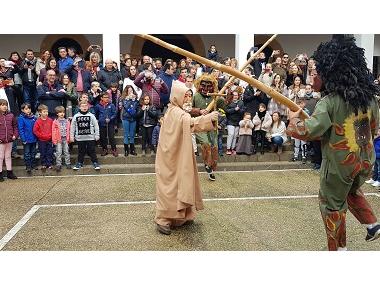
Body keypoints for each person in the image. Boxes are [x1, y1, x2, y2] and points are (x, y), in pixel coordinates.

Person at [287, 36, 380, 250]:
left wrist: (293, 119)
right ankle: (372, 224)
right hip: (365, 161)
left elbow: (308, 131)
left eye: (314, 72)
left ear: (329, 73)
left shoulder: (328, 103)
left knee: (332, 206)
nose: (311, 77)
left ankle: (338, 249)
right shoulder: (370, 99)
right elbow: (373, 127)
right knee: (351, 191)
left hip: (339, 166)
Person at [154, 80, 218, 235]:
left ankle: (180, 217)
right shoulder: (177, 113)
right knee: (170, 187)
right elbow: (192, 124)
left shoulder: (173, 109)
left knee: (180, 183)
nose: (188, 100)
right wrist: (210, 118)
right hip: (170, 158)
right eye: (185, 97)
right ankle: (163, 219)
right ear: (177, 96)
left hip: (174, 155)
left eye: (189, 96)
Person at [192, 73, 224, 181]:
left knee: (214, 146)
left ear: (213, 86)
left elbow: (225, 106)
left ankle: (212, 167)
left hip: (212, 126)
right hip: (200, 126)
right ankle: (207, 165)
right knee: (206, 144)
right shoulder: (195, 96)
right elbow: (188, 109)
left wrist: (228, 96)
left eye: (208, 86)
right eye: (203, 85)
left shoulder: (216, 97)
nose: (206, 88)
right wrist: (199, 111)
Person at [71, 101, 101, 170]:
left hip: (90, 137)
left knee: (92, 150)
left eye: (86, 106)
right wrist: (72, 137)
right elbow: (72, 127)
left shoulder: (91, 116)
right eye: (83, 106)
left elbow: (96, 126)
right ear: (79, 107)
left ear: (88, 107)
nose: (84, 107)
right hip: (80, 138)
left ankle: (95, 162)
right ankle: (79, 163)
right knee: (81, 151)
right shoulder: (76, 116)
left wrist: (97, 135)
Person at [0, 99, 18, 181]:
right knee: (0, 157)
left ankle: (9, 172)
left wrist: (15, 135)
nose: (4, 106)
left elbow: (15, 126)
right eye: (2, 105)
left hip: (9, 140)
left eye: (5, 105)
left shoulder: (11, 115)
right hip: (1, 141)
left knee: (8, 156)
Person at [94, 92, 117, 157]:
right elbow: (96, 114)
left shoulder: (111, 105)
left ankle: (114, 149)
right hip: (101, 124)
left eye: (107, 97)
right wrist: (98, 120)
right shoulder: (98, 106)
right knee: (103, 137)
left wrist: (110, 118)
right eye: (105, 97)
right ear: (101, 98)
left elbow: (114, 114)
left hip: (110, 124)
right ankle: (104, 149)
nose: (107, 99)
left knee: (111, 137)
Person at [17, 103, 37, 174]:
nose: (28, 110)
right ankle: (28, 166)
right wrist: (23, 139)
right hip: (26, 140)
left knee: (33, 152)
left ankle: (33, 165)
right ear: (22, 110)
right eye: (26, 109)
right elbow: (21, 129)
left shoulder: (34, 117)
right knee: (27, 153)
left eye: (29, 108)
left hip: (34, 139)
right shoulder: (21, 118)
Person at [33, 104, 54, 171]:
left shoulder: (50, 120)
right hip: (41, 140)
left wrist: (50, 135)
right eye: (44, 112)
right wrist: (42, 136)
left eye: (47, 112)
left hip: (49, 139)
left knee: (50, 152)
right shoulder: (38, 121)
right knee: (43, 152)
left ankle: (49, 163)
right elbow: (35, 130)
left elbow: (53, 129)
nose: (46, 113)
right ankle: (44, 164)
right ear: (40, 113)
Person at [225, 88, 245, 155]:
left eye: (236, 95)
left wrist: (238, 110)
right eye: (234, 95)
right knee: (231, 134)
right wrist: (234, 109)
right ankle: (228, 148)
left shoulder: (241, 102)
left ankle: (233, 148)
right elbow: (227, 111)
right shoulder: (229, 102)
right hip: (230, 121)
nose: (235, 96)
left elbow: (242, 111)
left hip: (237, 121)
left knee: (235, 135)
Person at [52, 106, 71, 171]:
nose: (62, 114)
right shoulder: (55, 122)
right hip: (58, 139)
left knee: (66, 151)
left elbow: (69, 130)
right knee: (59, 152)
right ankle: (58, 164)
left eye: (63, 112)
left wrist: (69, 138)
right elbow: (53, 131)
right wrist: (54, 140)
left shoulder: (67, 121)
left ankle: (68, 163)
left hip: (65, 138)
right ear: (57, 114)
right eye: (60, 112)